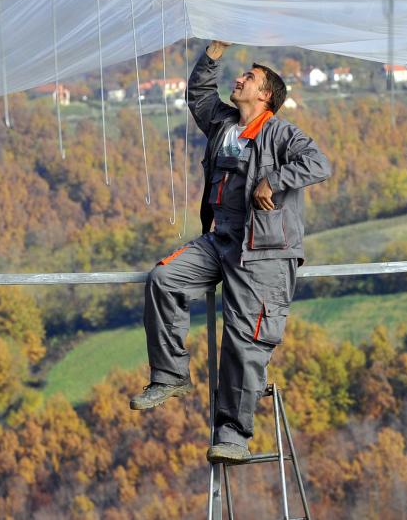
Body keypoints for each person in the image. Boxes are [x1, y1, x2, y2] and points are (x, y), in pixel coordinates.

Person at [130, 40, 332, 464]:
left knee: (244, 342)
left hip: (262, 251)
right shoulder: (224, 125)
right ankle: (169, 375)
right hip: (220, 238)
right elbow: (200, 96)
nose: (239, 79)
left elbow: (318, 163)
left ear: (266, 95)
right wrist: (212, 56)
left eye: (249, 78)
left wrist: (273, 180)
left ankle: (233, 435)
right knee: (164, 279)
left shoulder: (280, 132)